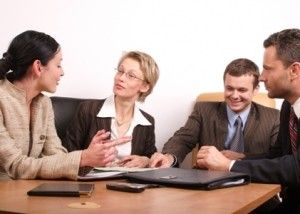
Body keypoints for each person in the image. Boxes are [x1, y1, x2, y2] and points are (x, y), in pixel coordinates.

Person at [0, 30, 130, 180]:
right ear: (38, 67)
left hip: (27, 195)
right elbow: (15, 166)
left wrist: (92, 158)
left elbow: (56, 156)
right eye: (58, 65)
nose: (62, 72)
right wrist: (82, 158)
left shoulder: (44, 103)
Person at [197, 28, 300, 212]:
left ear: (294, 70)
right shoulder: (288, 107)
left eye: (268, 69)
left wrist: (229, 165)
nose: (261, 77)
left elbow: (295, 167)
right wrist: (241, 158)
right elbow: (277, 156)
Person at [150, 58, 280, 168]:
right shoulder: (204, 110)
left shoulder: (273, 117)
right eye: (229, 88)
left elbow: (277, 157)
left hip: (254, 184)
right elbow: (183, 139)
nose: (235, 96)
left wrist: (241, 158)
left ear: (255, 89)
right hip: (208, 184)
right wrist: (169, 157)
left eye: (242, 90)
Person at [63, 51, 159, 168]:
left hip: (127, 185)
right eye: (120, 71)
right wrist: (86, 156)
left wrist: (145, 160)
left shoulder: (147, 122)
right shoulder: (88, 109)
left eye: (131, 75)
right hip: (90, 183)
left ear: (145, 87)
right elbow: (66, 156)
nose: (121, 78)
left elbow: (152, 159)